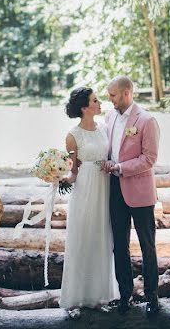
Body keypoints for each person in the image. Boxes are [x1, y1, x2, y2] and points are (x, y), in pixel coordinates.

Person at [101, 75, 161, 317]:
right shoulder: (109, 117)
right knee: (119, 247)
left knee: (148, 247)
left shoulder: (147, 121)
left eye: (113, 95)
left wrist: (121, 168)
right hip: (115, 191)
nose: (110, 100)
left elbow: (150, 159)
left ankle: (152, 297)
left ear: (126, 93)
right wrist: (107, 164)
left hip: (140, 193)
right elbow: (108, 149)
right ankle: (125, 294)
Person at [58, 87, 118, 309]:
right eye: (95, 100)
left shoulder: (104, 128)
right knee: (84, 239)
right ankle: (78, 296)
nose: (100, 102)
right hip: (85, 190)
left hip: (105, 187)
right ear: (84, 108)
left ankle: (100, 295)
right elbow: (73, 172)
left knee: (102, 238)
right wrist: (59, 178)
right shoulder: (73, 136)